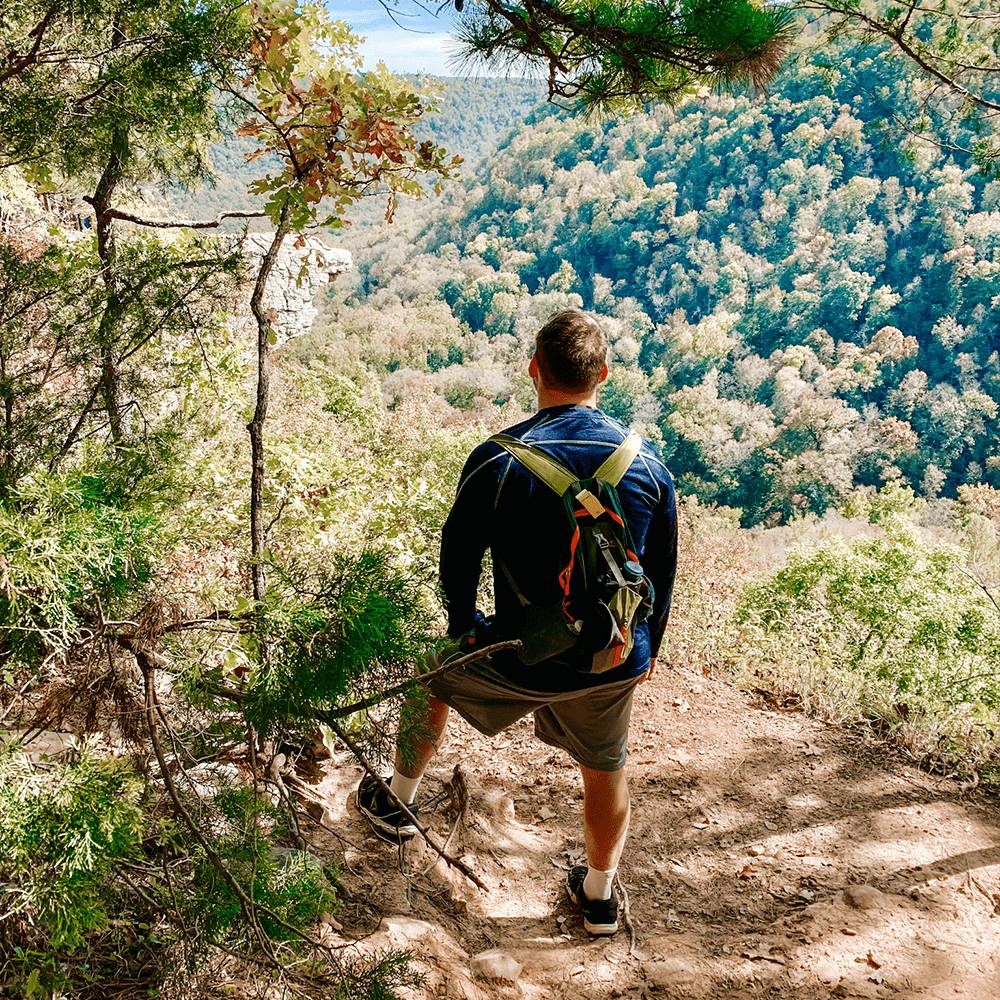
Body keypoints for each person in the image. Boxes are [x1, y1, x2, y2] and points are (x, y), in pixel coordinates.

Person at [358, 308, 677, 935]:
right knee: (607, 763)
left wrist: (462, 626)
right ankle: (600, 897)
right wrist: (647, 651)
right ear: (603, 375)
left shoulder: (496, 461)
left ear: (534, 370)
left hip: (514, 653)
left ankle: (398, 800)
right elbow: (661, 575)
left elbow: (458, 554)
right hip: (607, 660)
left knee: (430, 671)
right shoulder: (648, 467)